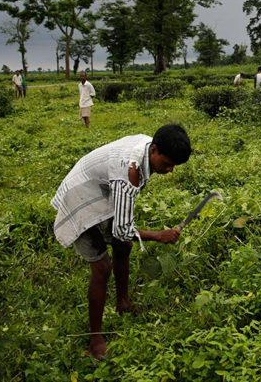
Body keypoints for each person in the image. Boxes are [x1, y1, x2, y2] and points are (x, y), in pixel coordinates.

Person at [51, 123, 192, 360]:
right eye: (167, 164)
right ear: (154, 150)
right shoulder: (129, 171)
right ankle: (96, 338)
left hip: (101, 190)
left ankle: (123, 303)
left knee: (123, 246)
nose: (170, 170)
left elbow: (123, 231)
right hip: (80, 197)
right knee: (102, 267)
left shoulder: (148, 147)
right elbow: (123, 229)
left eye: (174, 166)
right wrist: (159, 235)